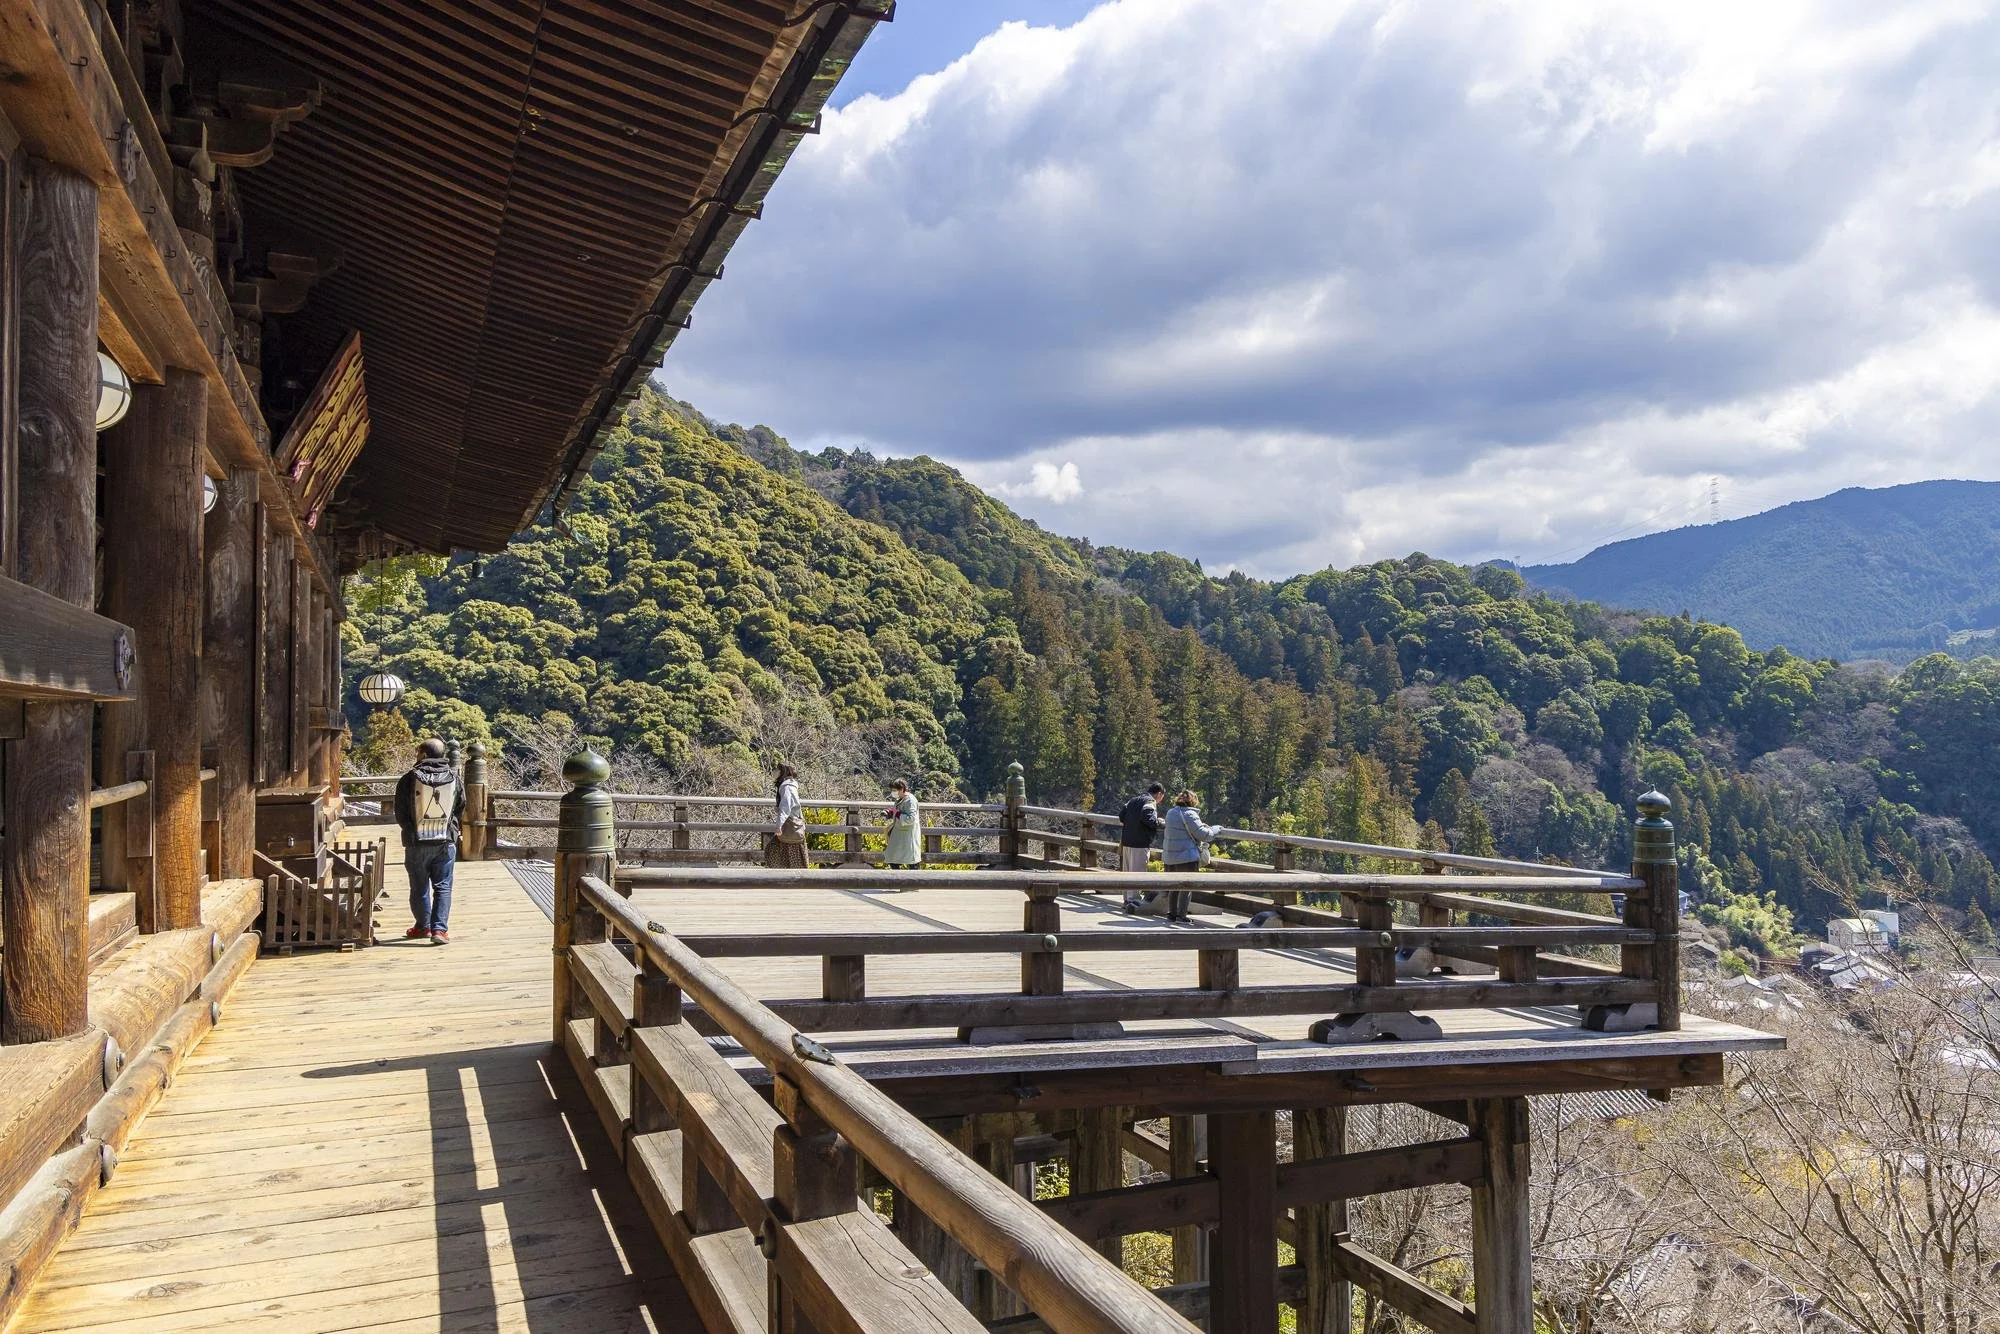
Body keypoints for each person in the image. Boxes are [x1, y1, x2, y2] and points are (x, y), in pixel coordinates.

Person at [395, 738, 463, 944]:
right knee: (443, 886)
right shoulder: (453, 777)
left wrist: (409, 829)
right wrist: (452, 828)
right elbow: (461, 806)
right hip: (445, 840)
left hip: (417, 841)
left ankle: (423, 926)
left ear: (424, 754)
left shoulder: (409, 778)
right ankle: (440, 930)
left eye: (418, 752)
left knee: (419, 887)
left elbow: (400, 810)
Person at [1161, 789, 1222, 922]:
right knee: (1187, 887)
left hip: (1170, 857)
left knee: (1174, 887)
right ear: (1193, 801)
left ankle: (1172, 913)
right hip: (1186, 857)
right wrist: (1216, 829)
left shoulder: (1171, 813)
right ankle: (1182, 916)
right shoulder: (1190, 814)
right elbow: (1205, 835)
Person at [1118, 783, 1165, 911]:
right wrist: (1159, 822)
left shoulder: (1132, 800)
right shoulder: (1150, 801)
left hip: (1127, 841)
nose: (1160, 801)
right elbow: (1148, 818)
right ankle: (1133, 902)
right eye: (1161, 798)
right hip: (1140, 843)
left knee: (1127, 873)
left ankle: (1127, 900)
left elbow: (1121, 816)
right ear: (1159, 794)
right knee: (1137, 873)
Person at [767, 762, 808, 869]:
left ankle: (789, 879)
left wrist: (778, 825)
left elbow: (786, 807)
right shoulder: (788, 785)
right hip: (794, 824)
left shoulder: (787, 787)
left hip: (790, 824)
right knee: (793, 854)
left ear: (783, 771)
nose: (774, 771)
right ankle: (788, 878)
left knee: (773, 851)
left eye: (777, 769)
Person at [884, 779, 923, 871]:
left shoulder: (910, 801)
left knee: (912, 861)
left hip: (908, 835)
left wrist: (897, 814)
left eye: (895, 790)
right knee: (893, 858)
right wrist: (891, 812)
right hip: (899, 834)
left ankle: (915, 883)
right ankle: (897, 881)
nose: (893, 792)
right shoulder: (900, 799)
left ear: (902, 789)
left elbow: (911, 818)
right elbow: (898, 811)